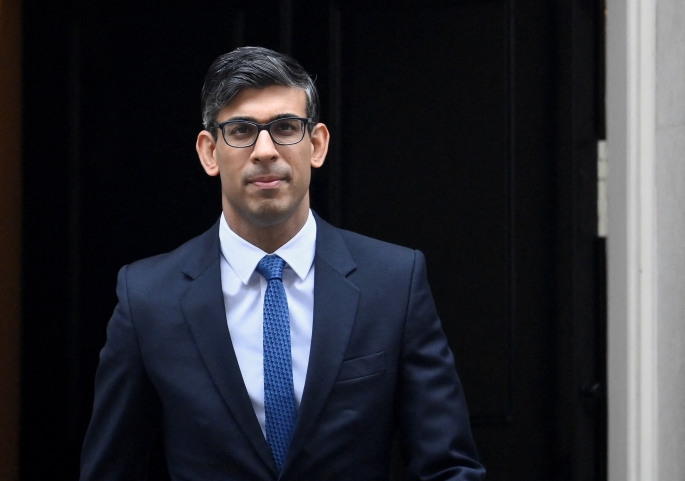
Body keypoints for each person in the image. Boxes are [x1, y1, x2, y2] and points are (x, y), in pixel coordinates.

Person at [80, 47, 485, 480]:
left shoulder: (392, 283)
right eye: (241, 130)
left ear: (317, 144)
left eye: (286, 127)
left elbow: (449, 467)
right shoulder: (148, 298)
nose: (265, 150)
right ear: (209, 152)